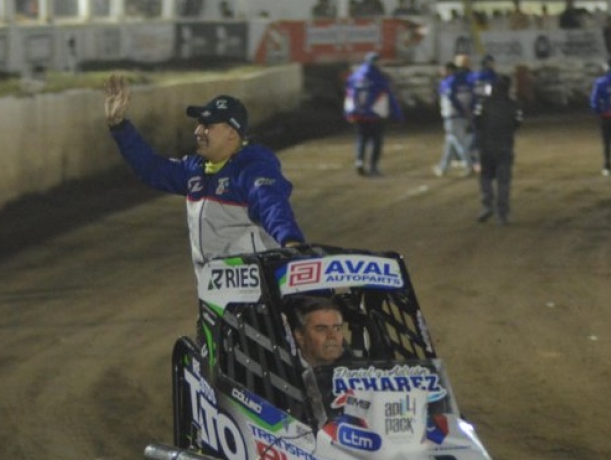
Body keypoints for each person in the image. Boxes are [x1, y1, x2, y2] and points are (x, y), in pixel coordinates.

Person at [103, 73, 305, 302]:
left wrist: (291, 243)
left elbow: (272, 206)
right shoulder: (194, 170)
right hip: (214, 301)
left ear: (232, 132)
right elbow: (151, 168)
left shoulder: (253, 169)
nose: (198, 131)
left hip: (260, 299)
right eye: (199, 124)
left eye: (207, 125)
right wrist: (119, 127)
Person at [343, 52, 403, 177]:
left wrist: (348, 112)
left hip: (358, 114)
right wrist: (397, 114)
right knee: (376, 141)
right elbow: (389, 97)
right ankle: (373, 166)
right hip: (375, 114)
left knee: (361, 139)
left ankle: (359, 161)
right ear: (376, 62)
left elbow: (349, 93)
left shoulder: (355, 76)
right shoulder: (379, 78)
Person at [473, 76, 522, 226]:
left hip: (486, 146)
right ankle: (503, 214)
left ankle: (487, 205)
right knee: (503, 181)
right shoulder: (514, 105)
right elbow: (517, 123)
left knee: (486, 177)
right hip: (505, 146)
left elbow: (476, 122)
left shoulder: (483, 103)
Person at [433, 56, 475, 177]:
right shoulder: (467, 80)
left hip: (452, 116)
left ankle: (469, 165)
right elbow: (473, 96)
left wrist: (462, 110)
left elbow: (450, 97)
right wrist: (468, 111)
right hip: (462, 116)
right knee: (450, 144)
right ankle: (443, 168)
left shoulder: (449, 82)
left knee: (458, 143)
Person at [290, 297, 346, 367]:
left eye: (337, 328)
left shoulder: (355, 369)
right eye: (321, 329)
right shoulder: (287, 372)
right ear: (300, 336)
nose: (332, 336)